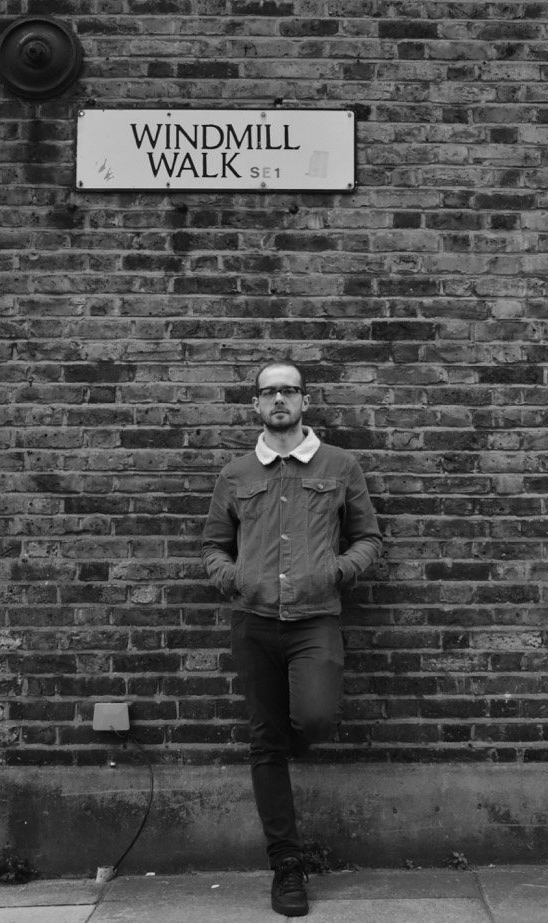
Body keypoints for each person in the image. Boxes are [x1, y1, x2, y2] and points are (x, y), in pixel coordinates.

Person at [202, 360, 382, 917]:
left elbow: (367, 537)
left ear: (305, 401)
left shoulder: (339, 464)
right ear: (255, 405)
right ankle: (287, 866)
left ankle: (284, 745)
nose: (279, 399)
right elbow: (213, 545)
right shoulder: (235, 474)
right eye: (268, 392)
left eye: (289, 390)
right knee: (265, 743)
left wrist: (336, 571)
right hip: (253, 623)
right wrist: (234, 578)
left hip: (315, 619)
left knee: (316, 719)